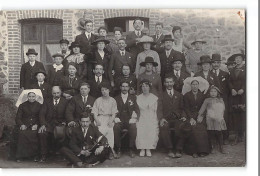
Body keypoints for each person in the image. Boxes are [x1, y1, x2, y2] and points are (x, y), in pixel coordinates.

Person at [159, 76, 192, 158]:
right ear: (164, 83)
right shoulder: (161, 95)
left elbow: (182, 108)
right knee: (164, 126)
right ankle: (169, 149)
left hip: (177, 118)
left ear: (173, 83)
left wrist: (184, 116)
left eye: (170, 82)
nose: (169, 84)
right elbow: (159, 109)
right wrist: (161, 118)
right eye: (167, 82)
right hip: (166, 118)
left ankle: (178, 149)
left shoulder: (179, 95)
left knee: (184, 125)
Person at [38, 86, 69, 162]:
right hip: (49, 124)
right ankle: (44, 155)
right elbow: (42, 114)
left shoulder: (65, 102)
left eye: (58, 93)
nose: (56, 95)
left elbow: (68, 114)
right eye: (54, 93)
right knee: (42, 133)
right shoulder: (47, 101)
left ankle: (63, 154)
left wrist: (65, 122)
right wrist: (43, 125)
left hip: (60, 124)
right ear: (52, 93)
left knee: (65, 134)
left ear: (61, 92)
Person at [183, 78, 210, 157]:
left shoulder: (202, 95)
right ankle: (193, 151)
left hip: (200, 115)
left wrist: (201, 116)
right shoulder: (186, 95)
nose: (194, 86)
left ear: (198, 85)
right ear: (190, 86)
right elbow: (186, 108)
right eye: (193, 84)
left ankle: (203, 150)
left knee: (201, 128)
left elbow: (205, 107)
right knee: (192, 128)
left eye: (196, 84)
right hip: (190, 116)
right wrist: (191, 118)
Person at [91, 82, 118, 159]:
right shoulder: (98, 100)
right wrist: (97, 120)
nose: (104, 92)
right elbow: (94, 113)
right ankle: (101, 149)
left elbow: (114, 113)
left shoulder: (113, 100)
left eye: (106, 90)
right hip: (99, 118)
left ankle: (110, 150)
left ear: (109, 90)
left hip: (109, 118)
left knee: (110, 130)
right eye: (102, 90)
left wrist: (111, 121)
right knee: (100, 130)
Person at [113, 81, 140, 158]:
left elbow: (137, 110)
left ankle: (131, 148)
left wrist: (134, 118)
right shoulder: (116, 98)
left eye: (126, 86)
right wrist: (115, 117)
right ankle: (118, 149)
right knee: (116, 127)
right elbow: (113, 109)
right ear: (120, 87)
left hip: (129, 119)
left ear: (128, 88)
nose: (124, 88)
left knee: (133, 127)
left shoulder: (133, 98)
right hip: (120, 120)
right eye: (123, 86)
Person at [197, 85, 227, 154]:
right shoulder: (207, 100)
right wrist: (200, 115)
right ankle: (212, 146)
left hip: (218, 118)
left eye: (215, 91)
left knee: (219, 132)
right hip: (210, 118)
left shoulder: (220, 100)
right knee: (211, 133)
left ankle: (221, 146)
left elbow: (223, 109)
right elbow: (202, 109)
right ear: (209, 93)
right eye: (211, 91)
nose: (213, 93)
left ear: (217, 93)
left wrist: (220, 117)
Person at [136, 79, 162, 157]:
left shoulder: (154, 98)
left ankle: (148, 148)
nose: (144, 88)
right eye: (143, 86)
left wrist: (156, 119)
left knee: (151, 127)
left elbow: (156, 110)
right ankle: (142, 148)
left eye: (146, 86)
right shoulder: (138, 98)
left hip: (152, 117)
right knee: (141, 127)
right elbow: (137, 110)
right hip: (142, 117)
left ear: (149, 87)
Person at [15, 91, 42, 162]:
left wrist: (37, 125)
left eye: (33, 96)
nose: (31, 98)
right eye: (30, 96)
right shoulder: (22, 105)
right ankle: (20, 156)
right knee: (22, 134)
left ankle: (34, 156)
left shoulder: (39, 105)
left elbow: (41, 117)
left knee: (35, 134)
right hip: (25, 125)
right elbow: (18, 118)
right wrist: (21, 124)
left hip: (35, 125)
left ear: (35, 97)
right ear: (27, 97)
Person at [211, 53, 230, 144]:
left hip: (223, 99)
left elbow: (227, 87)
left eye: (218, 62)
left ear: (220, 63)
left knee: (223, 117)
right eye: (214, 62)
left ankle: (225, 136)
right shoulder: (209, 74)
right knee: (213, 116)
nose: (216, 64)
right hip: (212, 99)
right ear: (212, 63)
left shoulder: (225, 74)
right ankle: (214, 137)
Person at [228, 53, 246, 145]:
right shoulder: (232, 70)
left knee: (243, 114)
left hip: (243, 95)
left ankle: (241, 135)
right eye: (236, 58)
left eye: (239, 58)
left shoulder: (247, 69)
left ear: (242, 59)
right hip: (234, 95)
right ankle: (235, 136)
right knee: (235, 115)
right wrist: (232, 89)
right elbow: (229, 81)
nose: (237, 60)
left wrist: (243, 89)